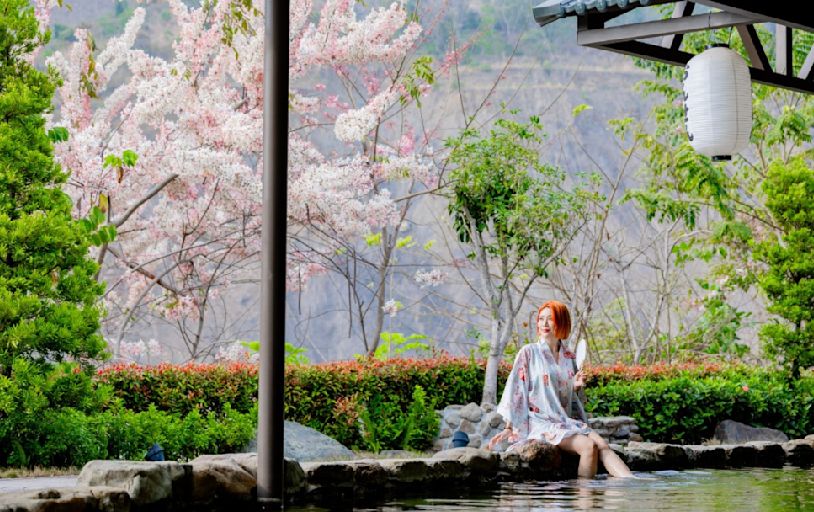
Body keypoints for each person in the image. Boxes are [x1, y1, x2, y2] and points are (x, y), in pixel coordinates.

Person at [486, 300, 634, 479]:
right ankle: (584, 500)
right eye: (541, 319)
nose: (544, 324)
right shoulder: (529, 353)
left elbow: (567, 398)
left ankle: (633, 483)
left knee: (602, 444)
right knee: (588, 446)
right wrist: (509, 427)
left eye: (551, 319)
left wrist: (575, 387)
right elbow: (516, 389)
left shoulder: (569, 357)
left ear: (561, 322)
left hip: (564, 420)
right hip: (541, 422)